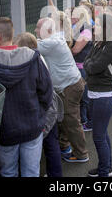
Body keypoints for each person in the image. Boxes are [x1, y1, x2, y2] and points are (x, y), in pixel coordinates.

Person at [0, 17, 53, 177]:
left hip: (4, 129)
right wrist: (39, 115)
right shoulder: (33, 58)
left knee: (8, 172)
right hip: (31, 125)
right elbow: (46, 91)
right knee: (31, 172)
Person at [35, 17, 89, 163]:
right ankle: (65, 148)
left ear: (47, 30)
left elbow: (29, 46)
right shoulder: (55, 37)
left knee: (71, 121)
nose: (35, 31)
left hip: (69, 86)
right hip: (70, 84)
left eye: (37, 28)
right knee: (64, 119)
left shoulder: (51, 43)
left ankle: (81, 154)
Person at [13, 32, 64, 178]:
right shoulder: (37, 58)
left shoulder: (35, 62)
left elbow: (43, 91)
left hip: (47, 109)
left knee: (49, 144)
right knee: (51, 143)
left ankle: (55, 173)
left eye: (18, 48)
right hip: (49, 107)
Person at [84, 13, 112, 177]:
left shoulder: (111, 46)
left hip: (104, 95)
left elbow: (92, 67)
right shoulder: (100, 43)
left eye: (97, 25)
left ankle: (105, 171)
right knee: (101, 133)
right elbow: (89, 61)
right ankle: (106, 167)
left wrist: (90, 65)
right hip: (97, 94)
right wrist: (90, 65)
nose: (94, 27)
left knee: (99, 136)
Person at [70, 6, 94, 131]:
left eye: (73, 15)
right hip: (78, 67)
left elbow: (76, 50)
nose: (70, 17)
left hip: (83, 68)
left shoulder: (86, 30)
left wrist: (62, 50)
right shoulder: (77, 28)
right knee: (82, 98)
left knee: (85, 98)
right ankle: (85, 120)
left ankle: (89, 122)